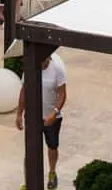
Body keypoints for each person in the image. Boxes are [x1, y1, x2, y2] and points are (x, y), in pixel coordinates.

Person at [15, 51, 68, 190]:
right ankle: (28, 181)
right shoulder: (31, 65)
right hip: (33, 116)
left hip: (52, 117)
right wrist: (19, 113)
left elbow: (62, 94)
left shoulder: (58, 68)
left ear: (48, 59)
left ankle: (52, 172)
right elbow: (24, 90)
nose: (41, 66)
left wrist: (54, 113)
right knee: (30, 150)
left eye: (43, 64)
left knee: (52, 147)